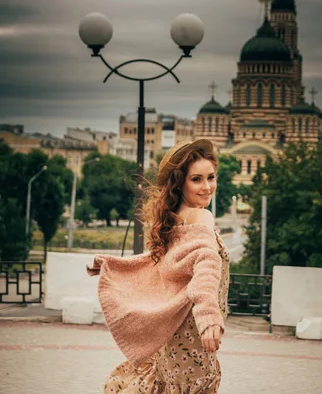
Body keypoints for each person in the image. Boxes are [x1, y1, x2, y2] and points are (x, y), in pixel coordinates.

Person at [87, 139, 231, 393]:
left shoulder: (175, 219)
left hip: (176, 330)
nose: (207, 187)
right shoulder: (201, 217)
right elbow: (206, 263)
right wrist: (209, 317)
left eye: (211, 177)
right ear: (179, 182)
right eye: (196, 179)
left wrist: (112, 264)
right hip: (193, 332)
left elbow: (164, 266)